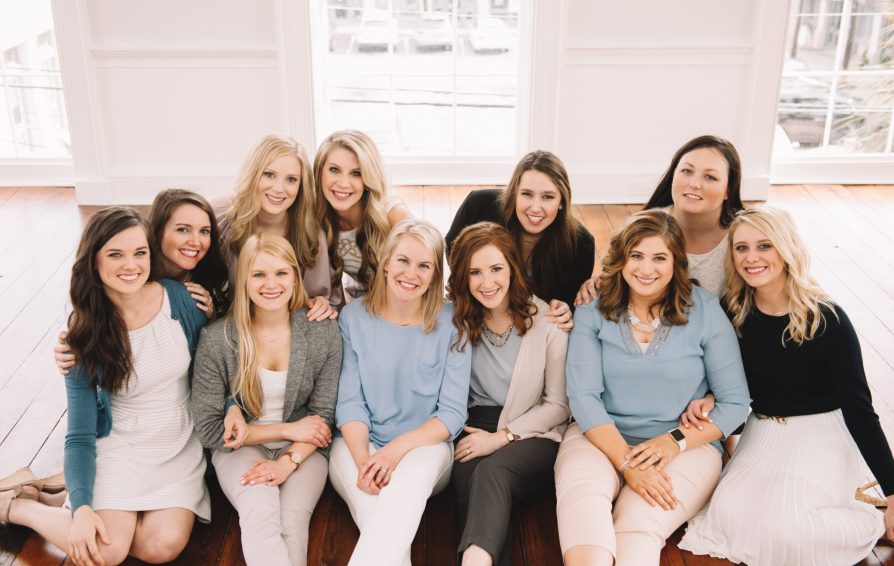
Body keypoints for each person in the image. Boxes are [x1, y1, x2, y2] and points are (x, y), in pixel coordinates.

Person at [678, 206, 894, 566]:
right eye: (741, 248)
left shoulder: (828, 318)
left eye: (764, 246)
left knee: (791, 527)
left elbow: (860, 410)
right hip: (764, 429)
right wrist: (712, 396)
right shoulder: (734, 310)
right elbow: (736, 380)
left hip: (820, 432)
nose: (752, 258)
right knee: (728, 516)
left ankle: (869, 507)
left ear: (786, 249)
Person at [0, 207, 210, 565]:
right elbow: (80, 434)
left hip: (177, 443)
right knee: (108, 551)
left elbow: (215, 360)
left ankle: (56, 496)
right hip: (120, 446)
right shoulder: (84, 334)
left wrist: (215, 312)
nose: (131, 265)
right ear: (93, 261)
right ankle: (16, 506)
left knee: (162, 547)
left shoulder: (181, 299)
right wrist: (82, 509)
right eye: (115, 254)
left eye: (139, 253)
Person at [555, 210, 749, 566]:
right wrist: (628, 463)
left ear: (676, 262)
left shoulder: (704, 310)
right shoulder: (591, 311)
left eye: (660, 257)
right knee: (583, 505)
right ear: (620, 259)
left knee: (638, 525)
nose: (647, 269)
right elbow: (583, 396)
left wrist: (673, 441)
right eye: (637, 256)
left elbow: (735, 402)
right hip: (596, 436)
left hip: (685, 445)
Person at [190, 233, 341, 566]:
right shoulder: (218, 339)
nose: (270, 284)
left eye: (281, 273)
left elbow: (323, 417)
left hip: (307, 450)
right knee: (260, 510)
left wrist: (288, 461)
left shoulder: (323, 331)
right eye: (258, 274)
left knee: (293, 520)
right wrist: (288, 430)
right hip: (239, 449)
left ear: (295, 277)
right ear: (244, 279)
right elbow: (209, 429)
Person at [328, 218, 471, 566]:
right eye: (404, 261)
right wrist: (364, 461)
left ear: (436, 274)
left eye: (425, 266)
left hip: (424, 447)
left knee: (401, 497)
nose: (412, 273)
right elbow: (350, 403)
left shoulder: (453, 324)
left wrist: (394, 452)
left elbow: (451, 413)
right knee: (380, 514)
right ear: (387, 262)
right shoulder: (354, 317)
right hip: (358, 443)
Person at [446, 222, 570, 566]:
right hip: (476, 424)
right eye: (475, 272)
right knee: (469, 488)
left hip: (536, 429)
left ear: (513, 268)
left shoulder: (549, 321)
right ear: (462, 277)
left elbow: (558, 405)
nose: (487, 283)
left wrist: (501, 437)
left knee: (491, 473)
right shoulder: (456, 319)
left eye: (496, 269)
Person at [53, 188, 230, 374]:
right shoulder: (131, 271)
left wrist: (211, 318)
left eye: (205, 231)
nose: (196, 241)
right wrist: (67, 338)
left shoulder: (209, 276)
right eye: (183, 230)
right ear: (158, 231)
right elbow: (91, 305)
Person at [576, 135, 744, 304]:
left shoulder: (743, 237)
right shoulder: (644, 225)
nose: (694, 183)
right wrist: (597, 284)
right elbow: (616, 277)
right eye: (687, 171)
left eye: (710, 177)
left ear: (728, 190)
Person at [445, 150, 596, 329]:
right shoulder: (478, 206)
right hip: (476, 308)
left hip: (530, 324)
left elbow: (567, 302)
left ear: (562, 201)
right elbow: (453, 252)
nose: (535, 208)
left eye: (548, 197)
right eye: (527, 194)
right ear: (514, 193)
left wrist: (564, 309)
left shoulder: (581, 245)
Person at [215, 133, 337, 321]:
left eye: (291, 179)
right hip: (233, 323)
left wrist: (321, 304)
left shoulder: (310, 232)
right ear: (253, 174)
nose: (279, 189)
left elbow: (319, 298)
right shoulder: (222, 217)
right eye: (269, 175)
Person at [313, 129, 412, 301]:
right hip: (362, 303)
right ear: (320, 172)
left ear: (368, 179)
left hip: (404, 303)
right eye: (334, 170)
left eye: (356, 173)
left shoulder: (395, 215)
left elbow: (423, 277)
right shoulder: (316, 218)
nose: (343, 183)